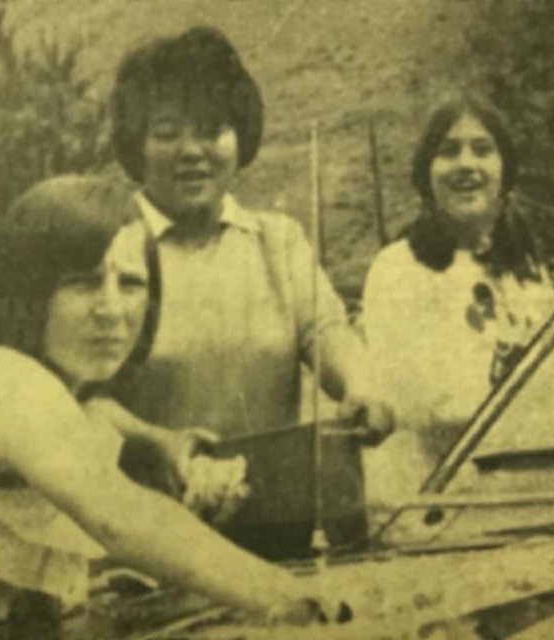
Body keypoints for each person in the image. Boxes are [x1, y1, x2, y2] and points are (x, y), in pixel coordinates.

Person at [0, 176, 335, 640]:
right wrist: (288, 598)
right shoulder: (18, 394)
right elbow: (125, 519)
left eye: (131, 284)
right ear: (28, 291)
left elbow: (93, 413)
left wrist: (155, 438)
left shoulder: (10, 371)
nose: (111, 310)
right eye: (84, 283)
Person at [97, 26, 393, 547]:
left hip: (281, 523)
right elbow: (79, 396)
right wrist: (155, 442)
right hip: (149, 541)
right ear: (136, 144)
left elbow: (327, 331)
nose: (192, 151)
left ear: (240, 138)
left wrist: (362, 389)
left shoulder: (278, 241)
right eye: (167, 133)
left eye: (212, 130)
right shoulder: (109, 250)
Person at [361, 96, 554, 506]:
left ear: (505, 172)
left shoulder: (528, 273)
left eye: (483, 150)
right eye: (449, 151)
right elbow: (416, 403)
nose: (467, 164)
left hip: (527, 492)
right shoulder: (398, 269)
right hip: (432, 499)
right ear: (426, 175)